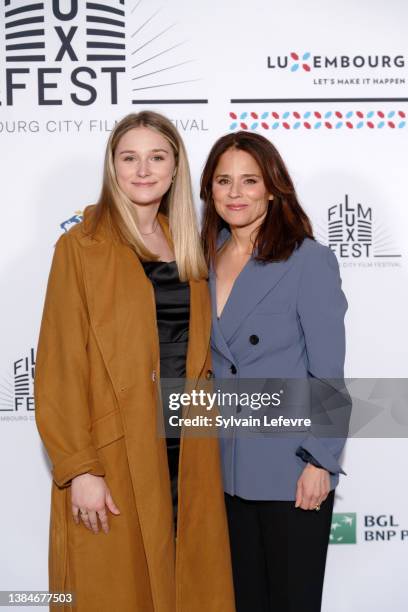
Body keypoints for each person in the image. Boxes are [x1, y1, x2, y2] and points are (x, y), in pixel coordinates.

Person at [34, 112, 235, 612]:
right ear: (113, 168)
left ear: (174, 169)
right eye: (130, 158)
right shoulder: (80, 247)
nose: (143, 170)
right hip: (116, 451)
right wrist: (80, 469)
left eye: (156, 157)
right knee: (114, 591)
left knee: (190, 587)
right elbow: (58, 366)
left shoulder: (192, 246)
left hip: (190, 451)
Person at [200, 131, 350, 612]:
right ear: (210, 189)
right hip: (221, 469)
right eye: (224, 181)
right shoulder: (202, 260)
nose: (235, 193)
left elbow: (328, 373)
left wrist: (320, 461)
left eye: (249, 180)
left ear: (272, 188)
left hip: (291, 469)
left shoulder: (307, 260)